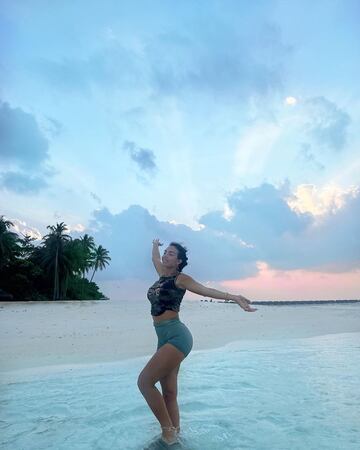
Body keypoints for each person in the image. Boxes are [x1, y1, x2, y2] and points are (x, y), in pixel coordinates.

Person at [137, 238, 257, 446]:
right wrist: (155, 244)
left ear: (179, 261)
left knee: (144, 382)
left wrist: (234, 297)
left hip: (177, 336)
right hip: (163, 337)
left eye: (171, 253)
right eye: (166, 252)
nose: (166, 255)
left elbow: (206, 291)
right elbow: (155, 257)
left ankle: (167, 432)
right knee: (170, 392)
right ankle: (176, 436)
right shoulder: (161, 274)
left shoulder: (180, 278)